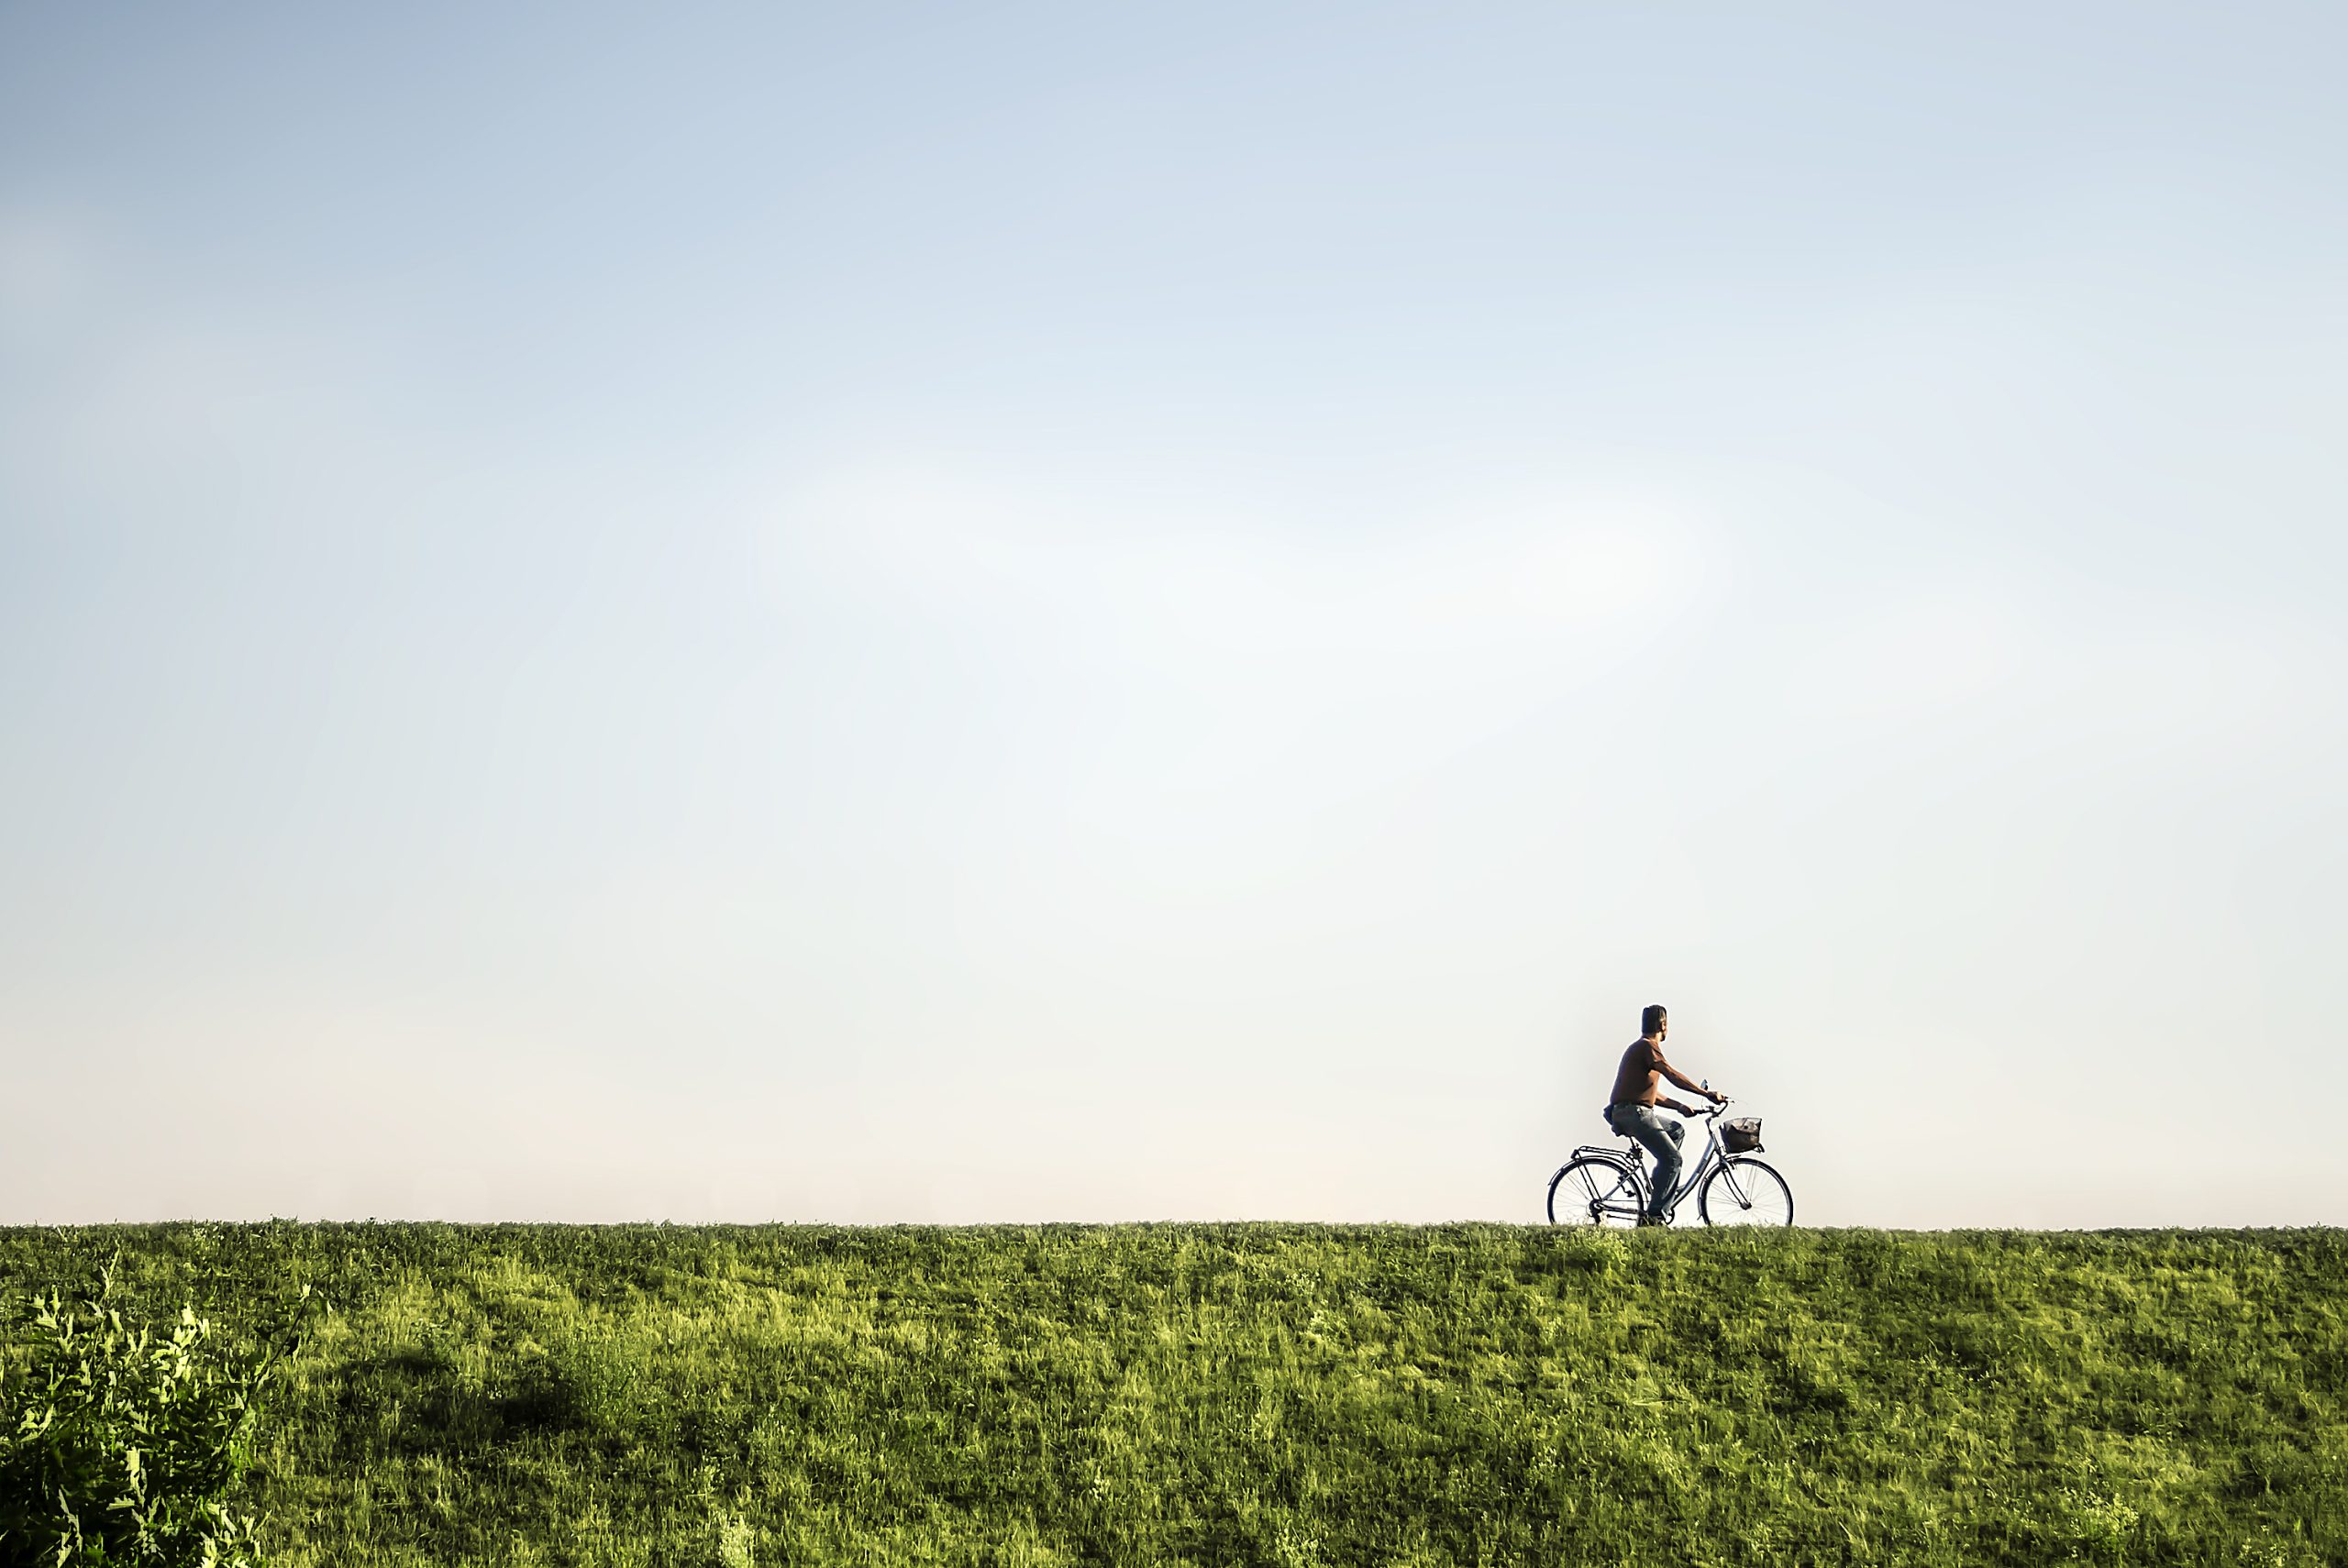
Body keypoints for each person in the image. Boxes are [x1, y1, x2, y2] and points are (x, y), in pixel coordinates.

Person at [1606, 1005, 1726, 1226]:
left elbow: (1650, 1095)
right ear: (1663, 1025)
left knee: (1676, 1130)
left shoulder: (1639, 1049)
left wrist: (1680, 1106)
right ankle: (1654, 1218)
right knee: (1673, 1159)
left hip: (1630, 1111)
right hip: (1635, 1113)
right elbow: (1672, 1075)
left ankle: (1662, 1185)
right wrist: (1705, 1093)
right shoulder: (1648, 1047)